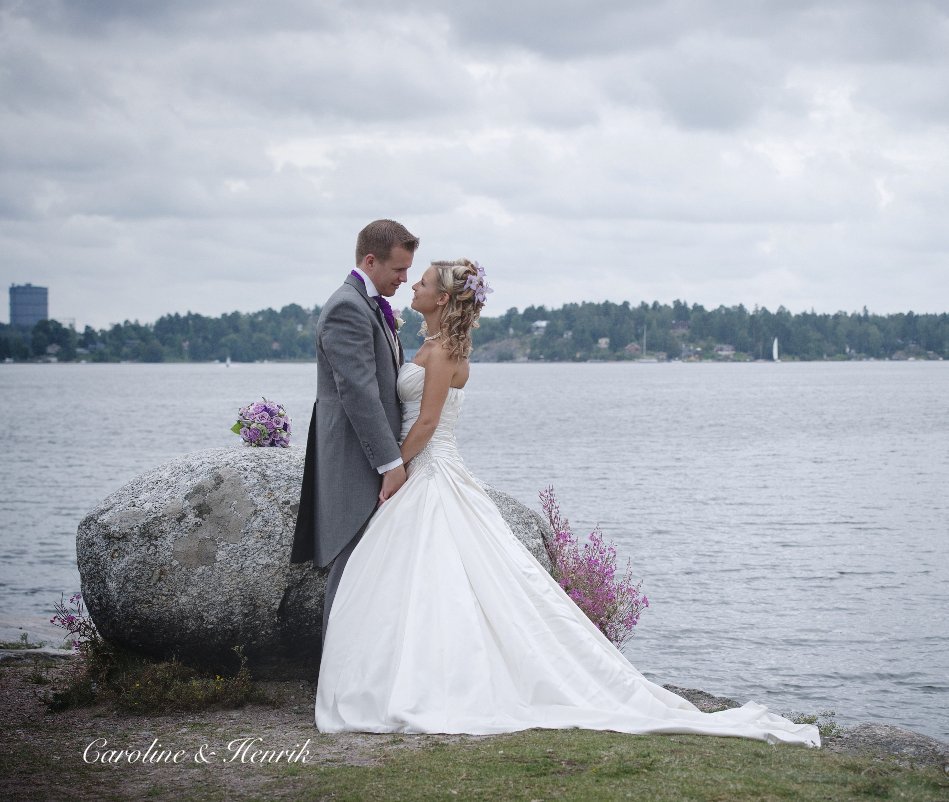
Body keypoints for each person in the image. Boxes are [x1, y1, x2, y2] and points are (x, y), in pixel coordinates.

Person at [314, 259, 820, 746]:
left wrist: (394, 472)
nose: (412, 287)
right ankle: (411, 672)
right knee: (425, 578)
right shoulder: (430, 342)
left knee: (449, 574)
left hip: (428, 466)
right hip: (428, 467)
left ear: (442, 298)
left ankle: (443, 682)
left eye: (421, 282)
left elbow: (426, 424)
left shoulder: (444, 352)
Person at [290, 219, 420, 641]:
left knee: (372, 568)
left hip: (371, 455)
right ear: (370, 260)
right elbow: (359, 394)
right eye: (398, 269)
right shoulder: (347, 307)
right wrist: (391, 463)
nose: (405, 278)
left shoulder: (370, 305)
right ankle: (337, 678)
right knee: (350, 566)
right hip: (354, 459)